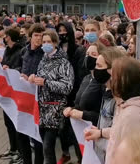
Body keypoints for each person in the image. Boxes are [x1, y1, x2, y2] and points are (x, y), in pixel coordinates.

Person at [29, 30, 74, 164]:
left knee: (48, 146)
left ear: (55, 43)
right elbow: (39, 78)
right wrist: (32, 78)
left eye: (49, 41)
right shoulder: (43, 60)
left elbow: (67, 86)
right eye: (44, 42)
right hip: (42, 109)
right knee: (44, 146)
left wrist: (46, 83)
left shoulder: (63, 63)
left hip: (55, 109)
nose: (46, 44)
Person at [103, 57, 140, 164]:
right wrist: (100, 133)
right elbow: (118, 132)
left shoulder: (132, 115)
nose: (111, 81)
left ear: (125, 81)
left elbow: (130, 154)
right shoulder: (124, 107)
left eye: (114, 77)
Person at [56, 22, 88, 164]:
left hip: (73, 95)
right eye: (59, 31)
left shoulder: (79, 51)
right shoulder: (56, 50)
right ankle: (65, 153)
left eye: (64, 31)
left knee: (75, 130)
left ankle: (80, 158)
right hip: (60, 95)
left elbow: (80, 75)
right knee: (62, 129)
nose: (62, 33)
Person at [16, 23, 46, 164]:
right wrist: (17, 72)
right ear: (30, 36)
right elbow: (19, 66)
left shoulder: (45, 54)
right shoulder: (24, 51)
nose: (38, 39)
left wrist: (36, 77)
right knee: (21, 132)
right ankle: (26, 160)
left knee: (37, 135)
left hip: (37, 98)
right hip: (24, 97)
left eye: (41, 36)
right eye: (36, 35)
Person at [0, 27, 24, 163]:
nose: (4, 37)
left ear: (10, 37)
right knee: (8, 122)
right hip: (8, 90)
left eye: (6, 35)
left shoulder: (20, 51)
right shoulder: (7, 50)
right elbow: (4, 63)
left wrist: (12, 70)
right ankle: (13, 147)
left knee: (16, 122)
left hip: (17, 91)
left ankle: (20, 150)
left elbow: (21, 68)